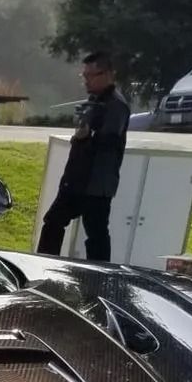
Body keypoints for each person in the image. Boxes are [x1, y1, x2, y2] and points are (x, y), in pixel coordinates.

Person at [36, 51, 132, 261]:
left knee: (96, 234)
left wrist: (89, 135)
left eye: (91, 76)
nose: (86, 81)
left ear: (107, 74)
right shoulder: (93, 101)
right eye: (84, 76)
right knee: (53, 222)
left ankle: (101, 275)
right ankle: (43, 264)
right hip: (76, 179)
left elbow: (110, 140)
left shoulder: (117, 105)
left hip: (97, 185)